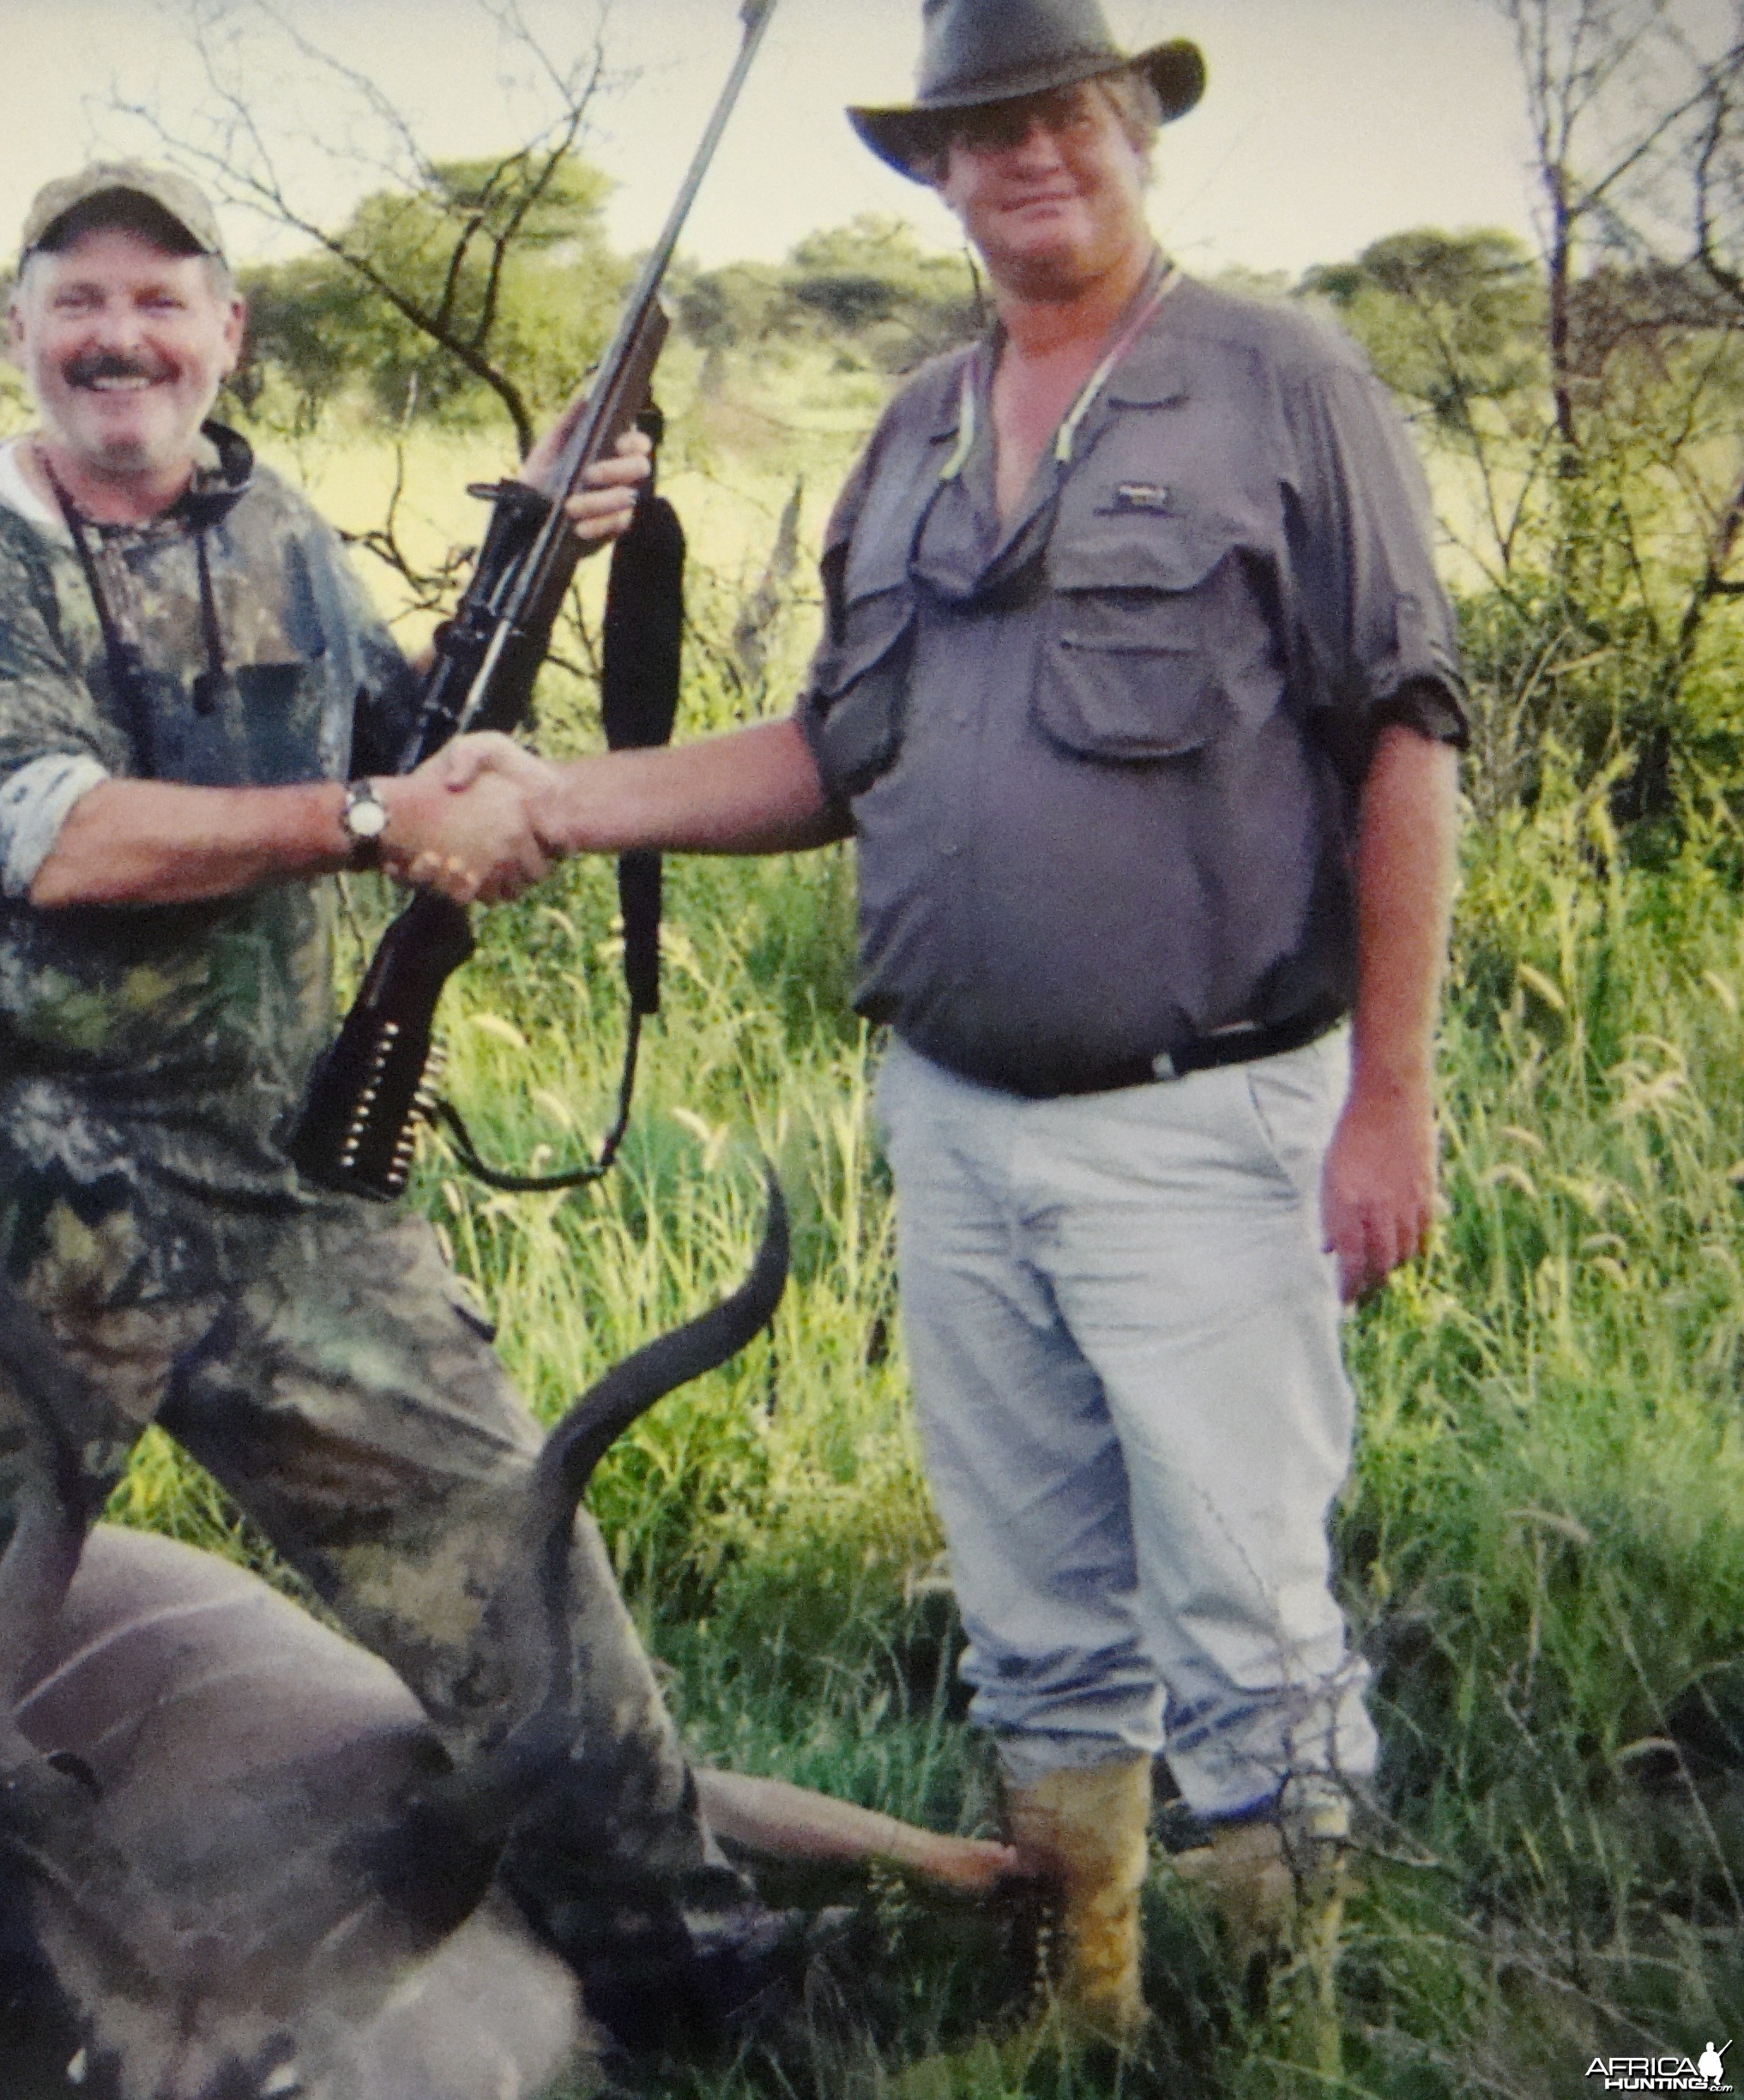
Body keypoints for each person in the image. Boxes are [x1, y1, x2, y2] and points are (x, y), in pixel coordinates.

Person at [439, 0, 1464, 2056]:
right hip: (958, 1125)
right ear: (931, 172)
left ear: (1135, 132)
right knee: (1036, 1618)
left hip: (1205, 1124)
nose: (1031, 159)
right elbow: (836, 752)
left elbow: (1407, 739)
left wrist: (1391, 1104)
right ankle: (1083, 2010)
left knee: (1253, 1619)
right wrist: (544, 797)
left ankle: (1287, 2035)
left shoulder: (1286, 379)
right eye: (982, 132)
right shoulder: (912, 424)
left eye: (1067, 115)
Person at [0, 160, 787, 2049]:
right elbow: (48, 837)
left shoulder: (274, 523)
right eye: (79, 299)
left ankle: (698, 1981)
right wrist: (383, 824)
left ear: (229, 333)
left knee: (522, 1584)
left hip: (286, 1204)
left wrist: (537, 560)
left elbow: (398, 746)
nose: (119, 335)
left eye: (162, 297)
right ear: (17, 332)